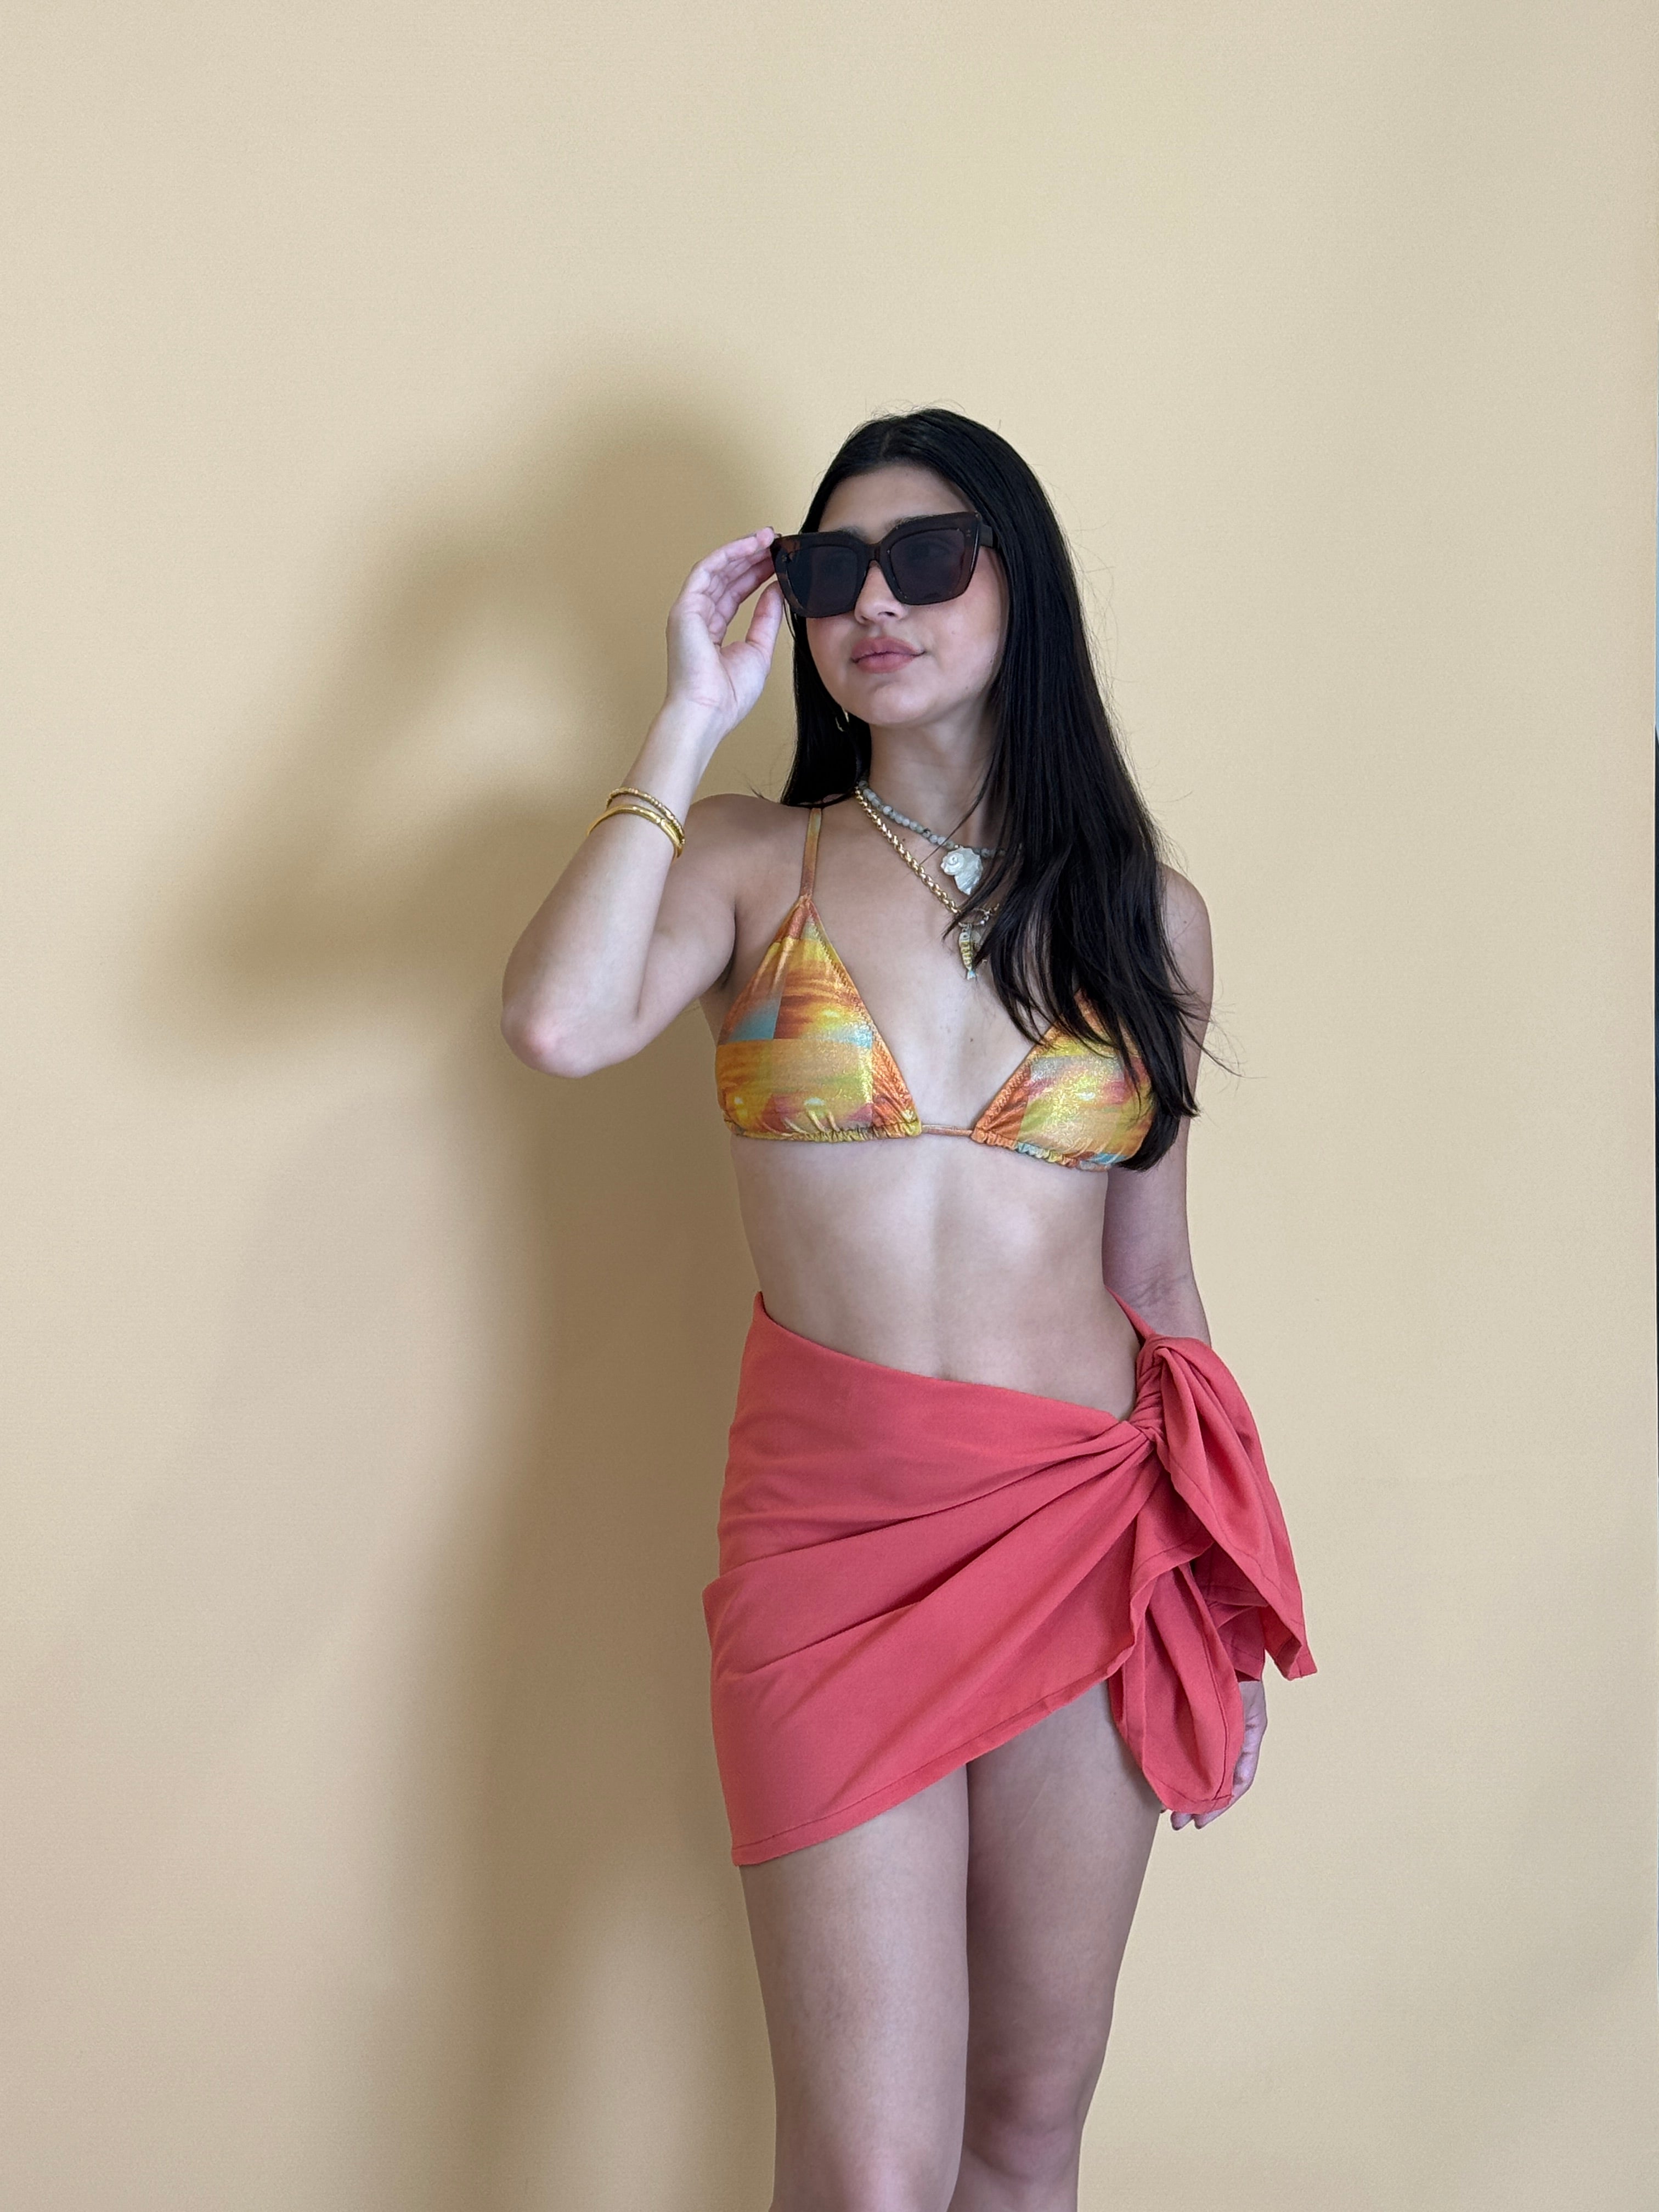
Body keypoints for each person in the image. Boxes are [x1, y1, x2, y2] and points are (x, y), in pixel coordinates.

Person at [501, 408, 1312, 2212]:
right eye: (831, 571)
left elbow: (1156, 1281)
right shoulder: (744, 859)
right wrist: (686, 720)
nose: (877, 603)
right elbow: (557, 1022)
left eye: (929, 558)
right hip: (828, 1543)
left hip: (1085, 1530)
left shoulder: (1146, 917)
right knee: (871, 2172)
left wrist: (1220, 1591)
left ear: (1022, 585)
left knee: (1025, 2128)